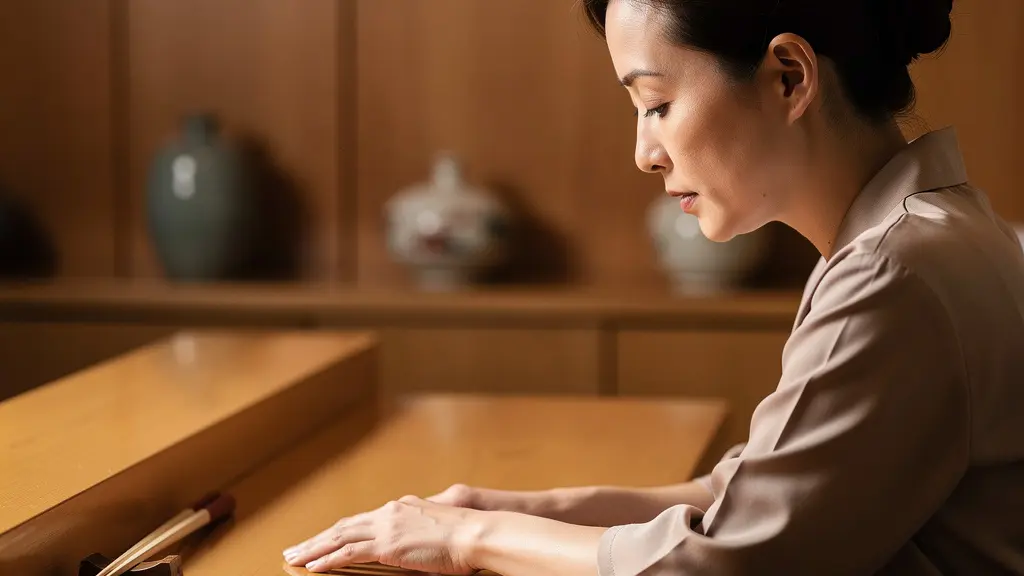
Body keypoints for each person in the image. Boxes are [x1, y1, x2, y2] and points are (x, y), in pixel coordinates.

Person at [284, 0, 1024, 573]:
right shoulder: (925, 233)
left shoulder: (893, 272)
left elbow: (728, 558)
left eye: (657, 104)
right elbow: (739, 496)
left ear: (789, 78)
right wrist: (494, 506)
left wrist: (475, 537)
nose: (644, 153)